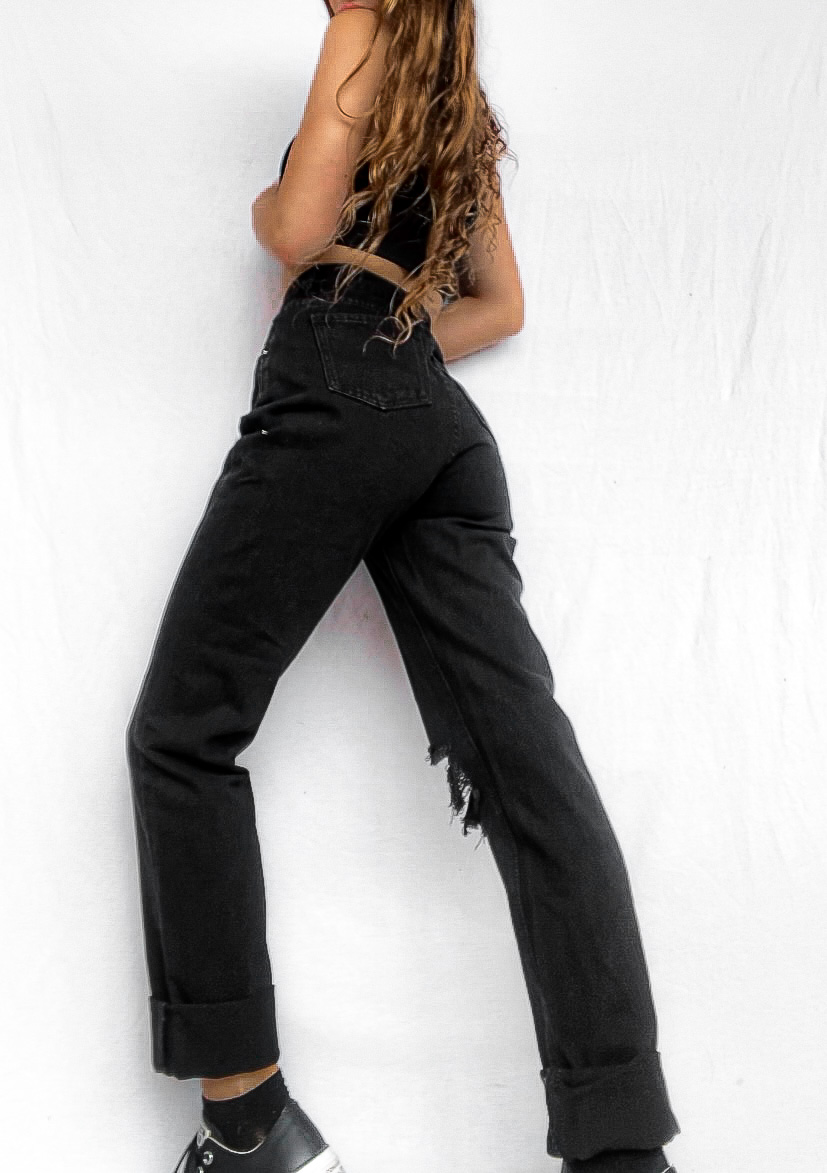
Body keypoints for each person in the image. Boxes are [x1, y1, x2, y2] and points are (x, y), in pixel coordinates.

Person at [125, 2, 682, 1171]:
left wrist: (267, 208)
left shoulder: (361, 31)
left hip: (333, 388)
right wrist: (404, 350)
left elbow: (299, 229)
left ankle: (249, 1124)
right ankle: (622, 1149)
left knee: (182, 736)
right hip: (440, 426)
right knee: (533, 784)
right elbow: (499, 305)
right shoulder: (456, 101)